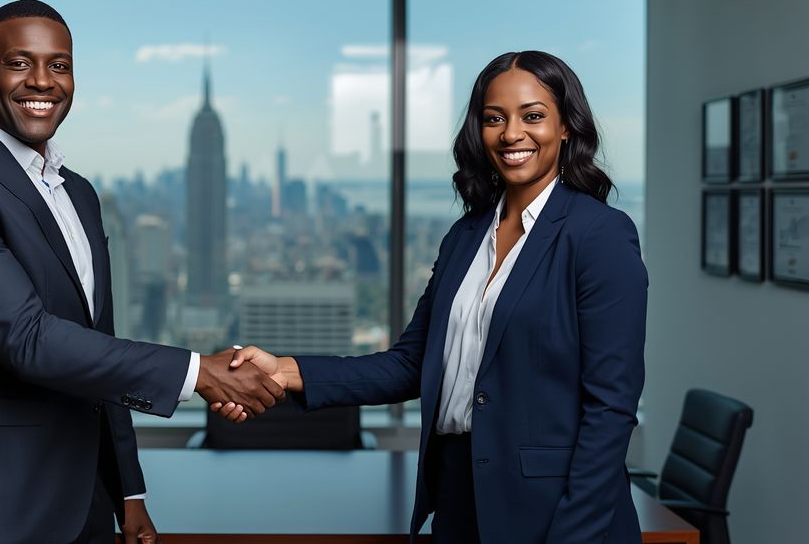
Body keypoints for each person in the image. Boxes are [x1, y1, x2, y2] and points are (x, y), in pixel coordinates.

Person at [0, 0, 283, 544]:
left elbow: (97, 344)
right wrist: (200, 373)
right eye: (19, 62)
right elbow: (26, 339)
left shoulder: (77, 192)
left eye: (58, 65)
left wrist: (128, 491)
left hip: (87, 504)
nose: (42, 81)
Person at [224, 51, 648, 544]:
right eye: (495, 119)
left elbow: (611, 406)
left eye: (533, 116)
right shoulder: (465, 236)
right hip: (458, 498)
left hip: (556, 510)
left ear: (567, 127)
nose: (512, 134)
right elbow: (411, 364)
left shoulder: (599, 235)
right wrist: (284, 371)